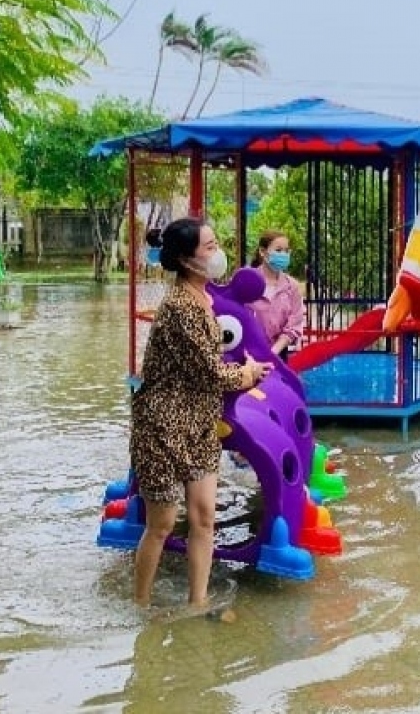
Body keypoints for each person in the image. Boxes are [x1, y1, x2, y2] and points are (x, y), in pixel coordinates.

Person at [130, 217, 273, 609]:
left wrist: (244, 369)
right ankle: (140, 606)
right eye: (209, 247)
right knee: (160, 524)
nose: (217, 252)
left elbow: (209, 366)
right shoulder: (180, 308)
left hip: (200, 423)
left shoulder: (205, 298)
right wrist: (246, 373)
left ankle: (198, 601)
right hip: (162, 425)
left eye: (215, 243)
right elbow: (211, 372)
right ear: (186, 260)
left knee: (204, 516)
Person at [247, 230, 306, 360]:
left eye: (286, 251)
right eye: (278, 250)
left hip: (279, 355)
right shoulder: (247, 280)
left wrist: (273, 353)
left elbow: (295, 324)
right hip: (248, 355)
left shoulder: (292, 286)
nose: (283, 255)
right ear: (262, 252)